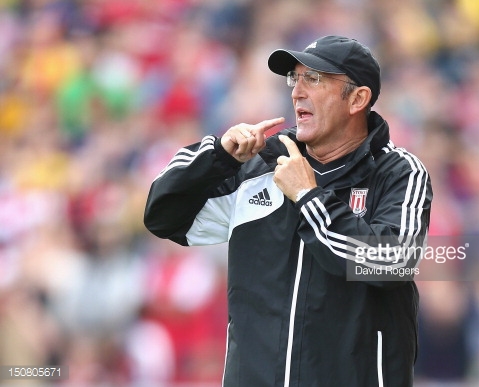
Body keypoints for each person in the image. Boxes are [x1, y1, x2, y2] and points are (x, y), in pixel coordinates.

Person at [144, 35, 432, 387]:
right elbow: (162, 215)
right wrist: (218, 157)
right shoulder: (257, 166)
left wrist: (308, 197)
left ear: (358, 99)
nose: (297, 91)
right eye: (294, 78)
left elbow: (392, 261)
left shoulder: (399, 172)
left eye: (314, 79)